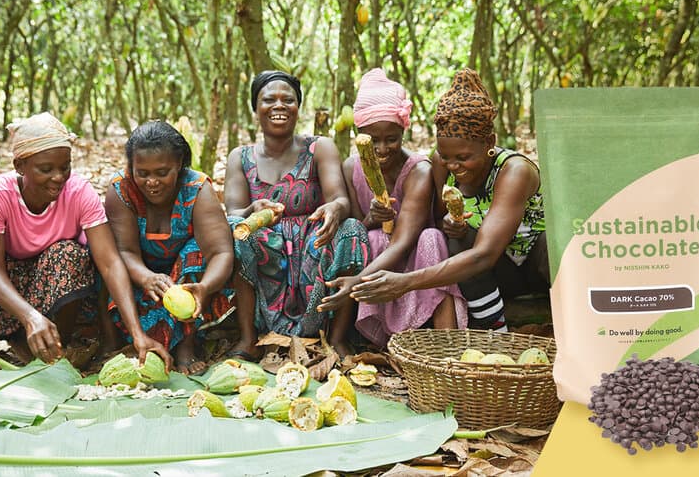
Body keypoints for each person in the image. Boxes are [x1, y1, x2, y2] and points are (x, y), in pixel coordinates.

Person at [0, 112, 172, 370]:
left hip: (51, 290)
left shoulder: (78, 192)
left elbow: (109, 263)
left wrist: (138, 334)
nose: (58, 177)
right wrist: (30, 317)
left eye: (65, 167)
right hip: (3, 295)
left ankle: (52, 349)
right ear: (20, 166)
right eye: (46, 169)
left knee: (68, 253)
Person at [351, 68, 549, 330]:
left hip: (533, 267)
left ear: (490, 141)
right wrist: (452, 226)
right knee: (457, 239)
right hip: (493, 274)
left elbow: (483, 255)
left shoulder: (515, 171)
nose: (454, 166)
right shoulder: (439, 162)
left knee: (550, 246)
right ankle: (491, 330)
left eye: (463, 157)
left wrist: (405, 281)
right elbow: (437, 223)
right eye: (446, 156)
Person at [225, 70, 369, 359]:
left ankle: (338, 339)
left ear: (298, 107)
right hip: (268, 256)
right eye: (269, 100)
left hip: (313, 250)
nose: (279, 105)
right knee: (234, 228)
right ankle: (248, 338)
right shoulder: (239, 157)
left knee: (353, 228)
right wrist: (253, 209)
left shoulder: (319, 147)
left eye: (287, 100)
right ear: (256, 108)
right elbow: (233, 212)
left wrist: (334, 208)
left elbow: (340, 199)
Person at [319, 68, 467, 347]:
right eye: (372, 140)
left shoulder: (418, 171)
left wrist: (358, 282)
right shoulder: (351, 168)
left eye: (391, 139)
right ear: (359, 134)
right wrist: (370, 218)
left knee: (431, 237)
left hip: (414, 260)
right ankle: (382, 343)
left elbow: (405, 239)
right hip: (375, 258)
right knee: (372, 237)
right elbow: (353, 231)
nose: (383, 149)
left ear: (403, 131)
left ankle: (448, 343)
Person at [102, 121, 235, 374]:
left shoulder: (197, 188)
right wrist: (146, 277)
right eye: (143, 173)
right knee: (101, 253)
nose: (152, 182)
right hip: (139, 278)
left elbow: (221, 252)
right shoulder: (121, 189)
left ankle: (187, 344)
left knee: (195, 251)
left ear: (180, 166)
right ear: (131, 168)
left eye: (162, 172)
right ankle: (117, 340)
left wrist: (205, 288)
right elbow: (124, 252)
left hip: (188, 277)